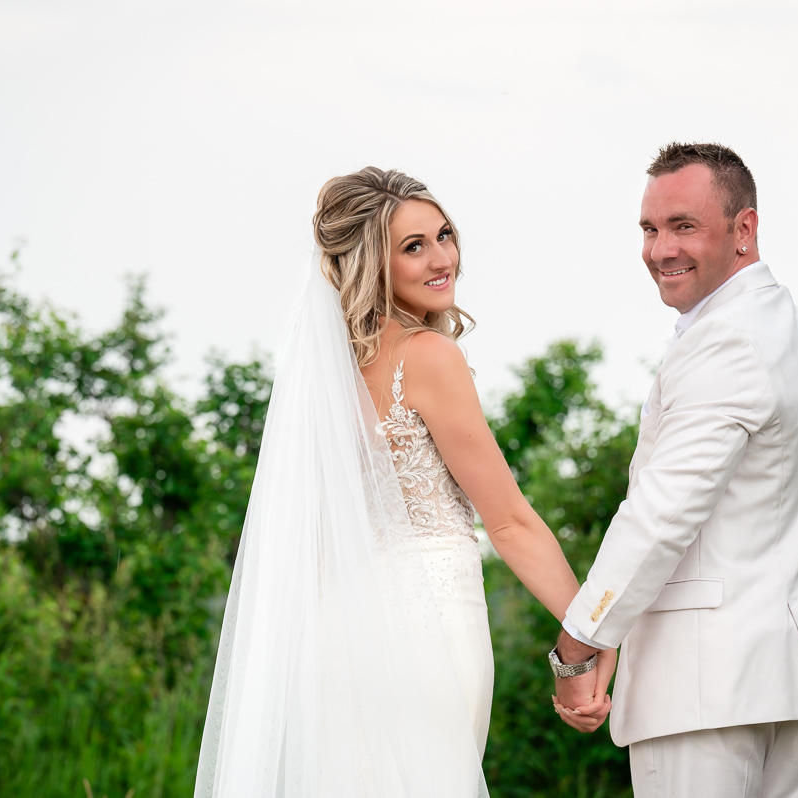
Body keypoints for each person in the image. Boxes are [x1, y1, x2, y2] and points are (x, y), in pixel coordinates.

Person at [194, 167, 613, 797]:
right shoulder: (428, 357)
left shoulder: (324, 376)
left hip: (335, 639)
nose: (443, 258)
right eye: (414, 246)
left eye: (444, 236)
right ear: (371, 263)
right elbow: (509, 522)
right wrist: (587, 633)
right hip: (430, 629)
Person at [551, 142, 798, 797]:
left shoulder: (724, 339)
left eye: (683, 226)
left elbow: (663, 512)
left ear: (743, 230)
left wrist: (581, 641)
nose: (660, 249)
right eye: (650, 228)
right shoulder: (794, 331)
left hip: (709, 685)